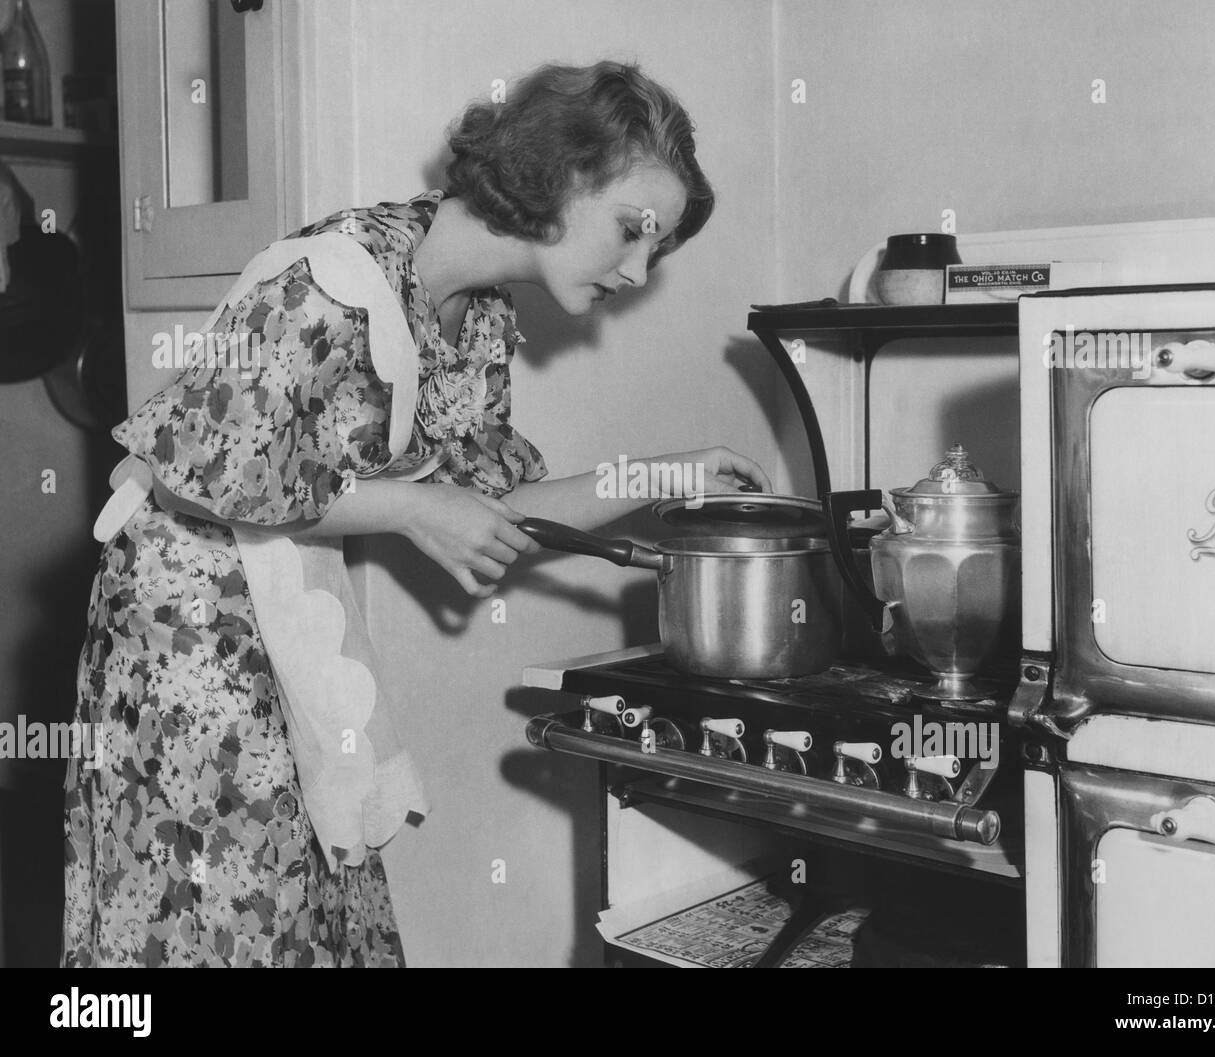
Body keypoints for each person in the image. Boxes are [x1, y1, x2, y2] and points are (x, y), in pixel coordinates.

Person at [62, 60, 771, 967]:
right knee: (215, 919)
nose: (637, 270)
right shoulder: (329, 275)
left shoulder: (476, 320)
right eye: (633, 231)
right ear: (559, 174)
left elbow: (491, 507)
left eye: (655, 249)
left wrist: (670, 476)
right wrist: (408, 508)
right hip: (183, 640)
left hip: (285, 619)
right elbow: (199, 473)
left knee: (307, 907)